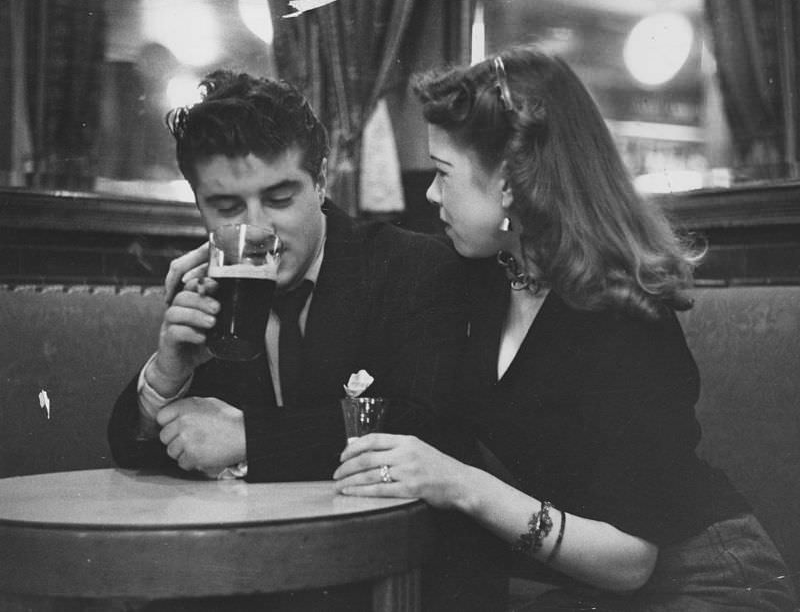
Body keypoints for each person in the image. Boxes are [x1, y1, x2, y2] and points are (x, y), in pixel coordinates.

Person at [333, 46, 798, 610]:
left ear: (509, 183)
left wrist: (459, 484)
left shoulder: (628, 318)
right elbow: (362, 261)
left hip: (708, 583)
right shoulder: (483, 275)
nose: (431, 194)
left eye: (442, 173)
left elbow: (631, 562)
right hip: (584, 590)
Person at [107, 70, 504, 610]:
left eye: (278, 197)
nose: (257, 228)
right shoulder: (211, 289)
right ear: (199, 205)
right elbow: (135, 449)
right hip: (249, 581)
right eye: (226, 208)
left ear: (320, 184)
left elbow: (420, 423)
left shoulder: (412, 266)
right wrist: (166, 374)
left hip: (388, 581)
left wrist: (249, 436)